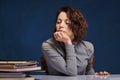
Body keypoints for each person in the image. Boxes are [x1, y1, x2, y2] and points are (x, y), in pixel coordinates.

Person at [41, 6, 109, 76]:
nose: (61, 25)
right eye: (58, 22)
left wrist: (97, 77)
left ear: (76, 26)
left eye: (67, 23)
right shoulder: (48, 45)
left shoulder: (88, 47)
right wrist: (68, 42)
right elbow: (71, 73)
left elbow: (89, 72)